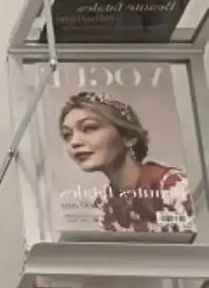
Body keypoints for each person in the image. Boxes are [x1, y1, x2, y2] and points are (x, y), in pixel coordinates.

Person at [58, 91, 195, 235]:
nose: (74, 142)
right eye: (67, 135)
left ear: (129, 137)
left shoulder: (176, 187)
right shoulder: (104, 204)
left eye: (89, 128)